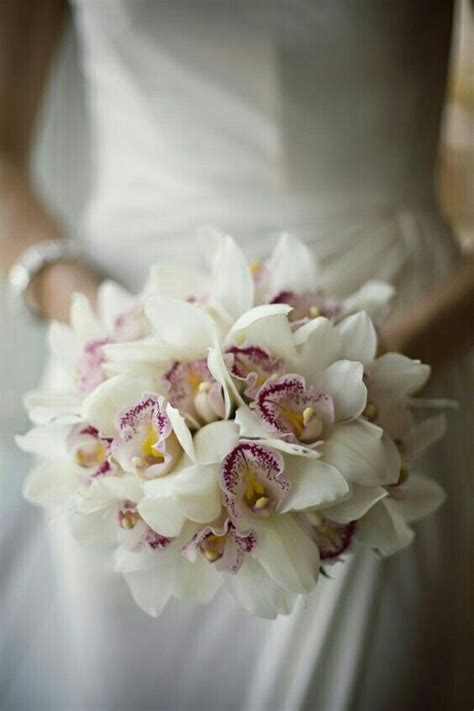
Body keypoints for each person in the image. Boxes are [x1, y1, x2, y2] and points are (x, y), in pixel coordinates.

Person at [1, 1, 472, 709]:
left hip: (389, 361)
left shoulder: (385, 379)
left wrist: (387, 362)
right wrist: (94, 324)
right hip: (120, 364)